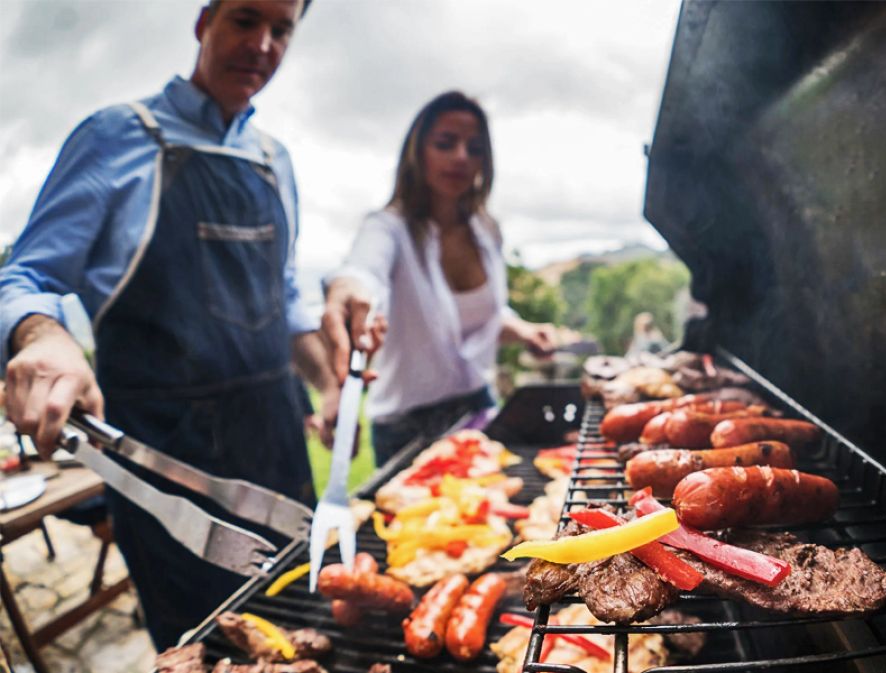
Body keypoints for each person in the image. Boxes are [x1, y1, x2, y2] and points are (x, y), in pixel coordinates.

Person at [0, 0, 378, 649]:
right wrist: (42, 336)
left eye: (281, 29)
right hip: (168, 463)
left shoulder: (272, 159)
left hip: (276, 441)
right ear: (204, 22)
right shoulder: (117, 136)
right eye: (244, 19)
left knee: (311, 626)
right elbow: (23, 276)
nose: (261, 44)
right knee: (209, 647)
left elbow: (281, 297)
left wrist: (328, 380)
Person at [321, 91, 555, 467]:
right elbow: (362, 272)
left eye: (474, 147)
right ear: (418, 152)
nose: (461, 156)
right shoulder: (387, 228)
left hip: (480, 409)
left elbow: (481, 317)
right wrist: (347, 292)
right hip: (406, 429)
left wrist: (523, 331)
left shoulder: (486, 231)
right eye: (446, 143)